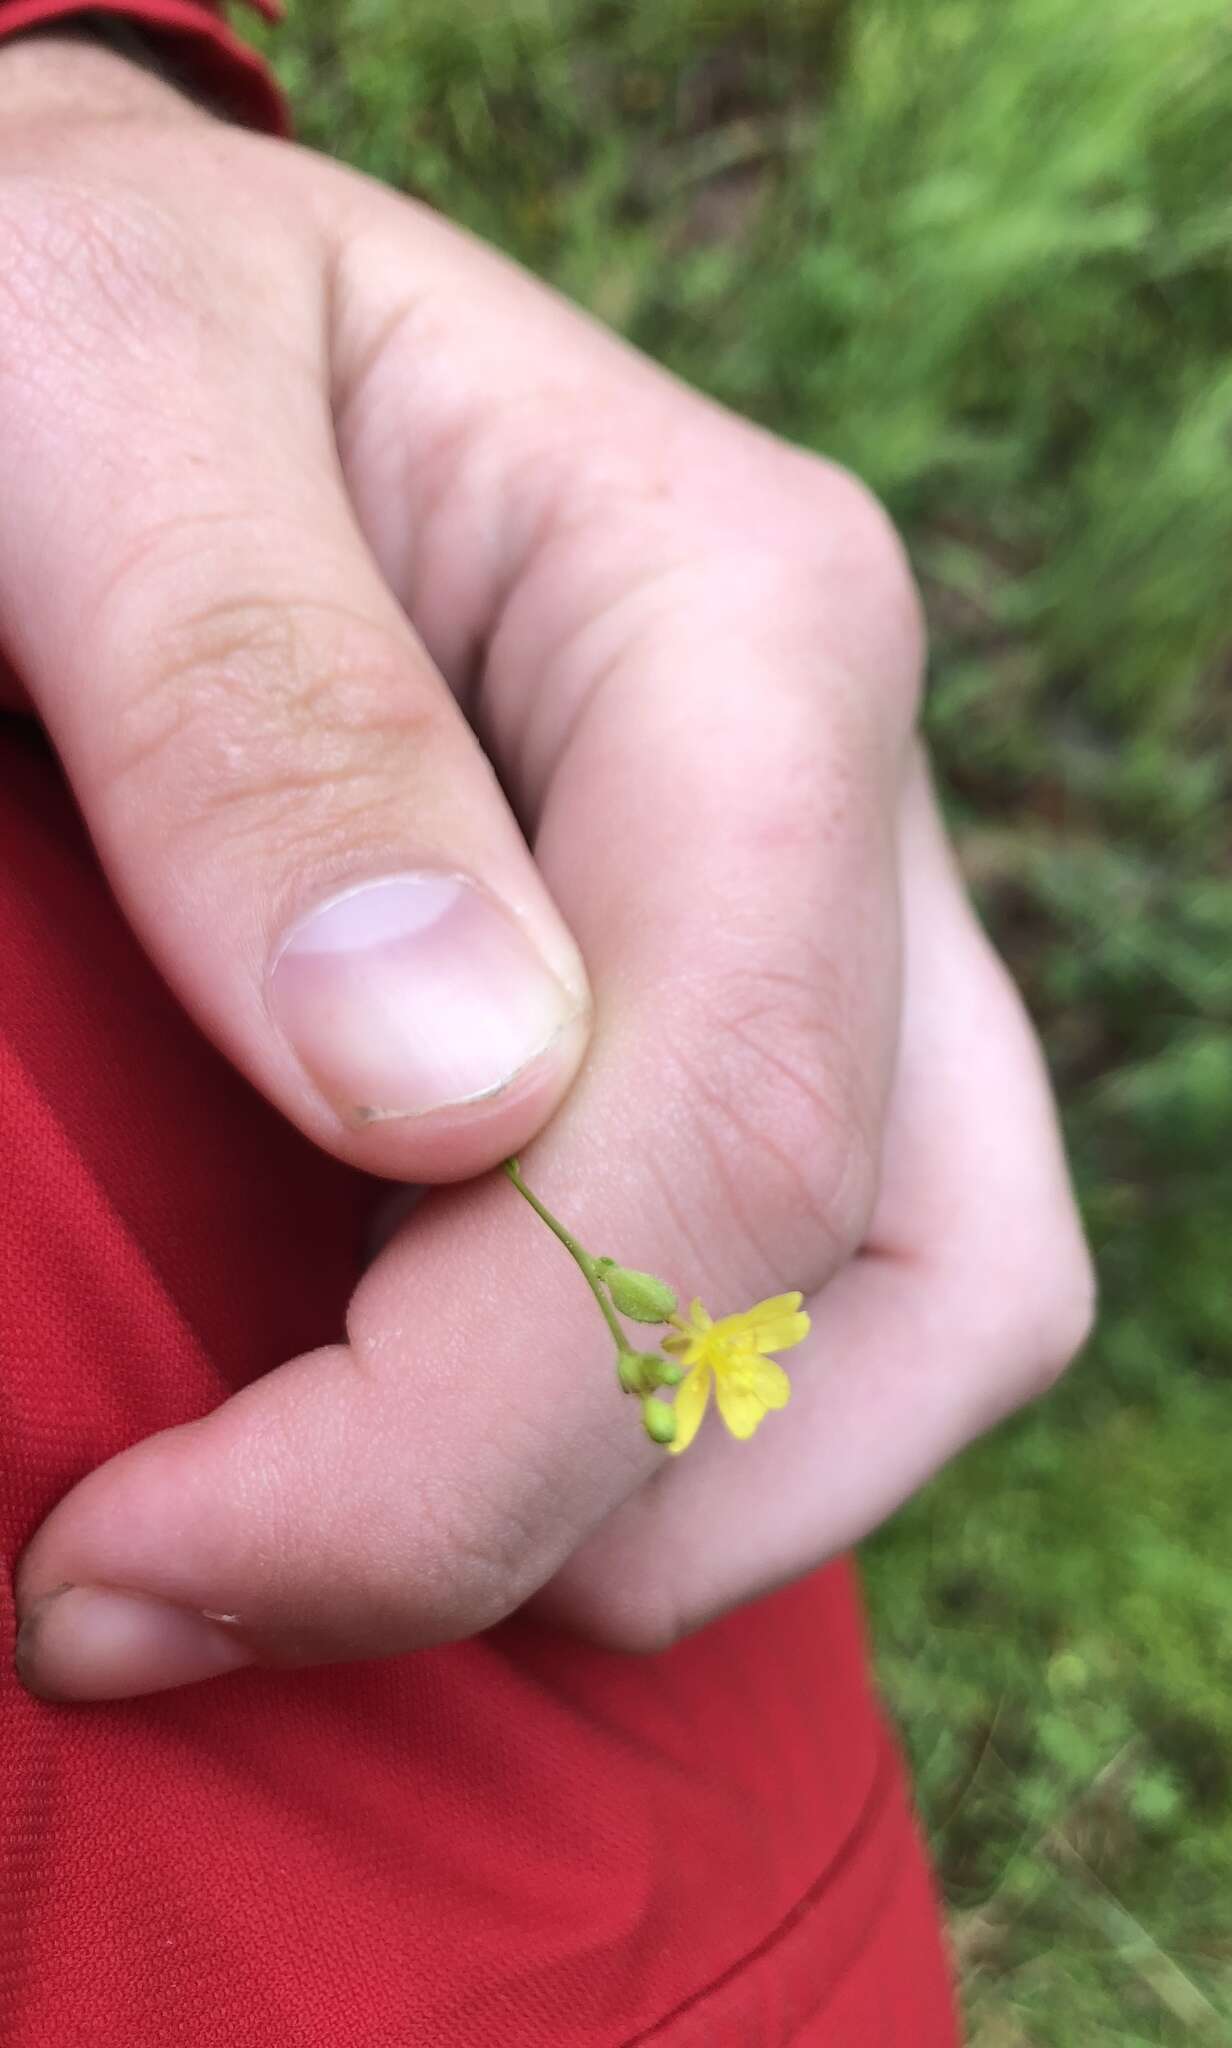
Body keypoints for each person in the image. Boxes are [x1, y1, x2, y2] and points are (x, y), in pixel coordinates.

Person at [0, 10, 1093, 2041]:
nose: (714, 1365)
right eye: (708, 1359)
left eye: (708, 1360)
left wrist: (54, 111)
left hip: (623, 1863)